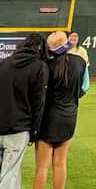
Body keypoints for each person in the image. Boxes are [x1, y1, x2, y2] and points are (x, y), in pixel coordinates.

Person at [33, 31, 85, 189]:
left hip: (48, 119)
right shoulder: (80, 62)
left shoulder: (45, 65)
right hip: (69, 117)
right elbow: (84, 89)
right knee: (60, 164)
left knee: (42, 167)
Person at [0, 33, 49, 189]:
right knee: (9, 174)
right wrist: (35, 131)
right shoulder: (40, 67)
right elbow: (38, 103)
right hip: (19, 129)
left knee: (11, 173)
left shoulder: (4, 63)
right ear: (41, 47)